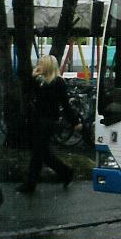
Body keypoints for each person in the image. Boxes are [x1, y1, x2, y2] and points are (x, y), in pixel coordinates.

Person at [17, 55, 75, 194]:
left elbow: (65, 104)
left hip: (48, 121)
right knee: (42, 153)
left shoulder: (58, 82)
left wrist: (74, 122)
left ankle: (31, 184)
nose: (38, 66)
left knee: (38, 152)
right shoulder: (39, 81)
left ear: (48, 66)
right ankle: (65, 172)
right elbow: (26, 92)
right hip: (37, 120)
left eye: (41, 64)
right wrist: (32, 78)